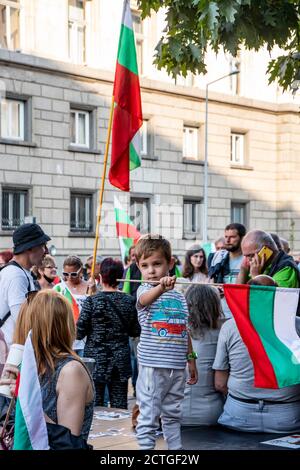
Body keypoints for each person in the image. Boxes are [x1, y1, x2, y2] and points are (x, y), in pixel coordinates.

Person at [213, 274, 300, 433]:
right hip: (287, 417)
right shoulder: (296, 325)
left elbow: (219, 383)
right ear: (276, 295)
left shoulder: (230, 327)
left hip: (238, 414)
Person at [134, 234, 198, 450]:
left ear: (170, 264)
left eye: (157, 264)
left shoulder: (179, 296)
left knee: (173, 414)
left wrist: (191, 359)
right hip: (153, 366)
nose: (151, 270)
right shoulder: (144, 290)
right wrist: (161, 287)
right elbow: (143, 301)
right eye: (145, 265)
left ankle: (176, 452)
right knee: (149, 416)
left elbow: (183, 329)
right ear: (138, 267)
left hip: (177, 367)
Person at [5, 291, 95, 443]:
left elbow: (68, 441)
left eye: (22, 322)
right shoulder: (32, 365)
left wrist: (27, 400)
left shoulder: (71, 371)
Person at [76, 258, 140, 409]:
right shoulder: (129, 301)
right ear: (120, 277)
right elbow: (135, 331)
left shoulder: (91, 301)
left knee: (95, 405)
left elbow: (79, 332)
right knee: (119, 406)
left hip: (95, 359)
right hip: (120, 359)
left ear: (100, 277)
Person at [0, 223, 50, 348]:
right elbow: (23, 322)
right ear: (30, 248)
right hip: (10, 353)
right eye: (43, 245)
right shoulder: (16, 275)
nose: (46, 251)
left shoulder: (19, 272)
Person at [181, 285, 225, 426]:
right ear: (214, 305)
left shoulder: (175, 333)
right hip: (213, 412)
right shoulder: (224, 332)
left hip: (175, 413)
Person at [54, 255, 96, 355]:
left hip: (85, 340)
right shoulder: (58, 288)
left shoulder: (90, 287)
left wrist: (95, 291)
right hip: (65, 340)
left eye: (73, 274)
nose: (69, 277)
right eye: (65, 274)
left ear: (81, 271)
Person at [209, 223, 246, 318]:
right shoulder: (218, 258)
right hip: (220, 312)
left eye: (232, 237)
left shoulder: (247, 259)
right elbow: (211, 283)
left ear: (242, 238)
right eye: (226, 237)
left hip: (240, 313)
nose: (228, 240)